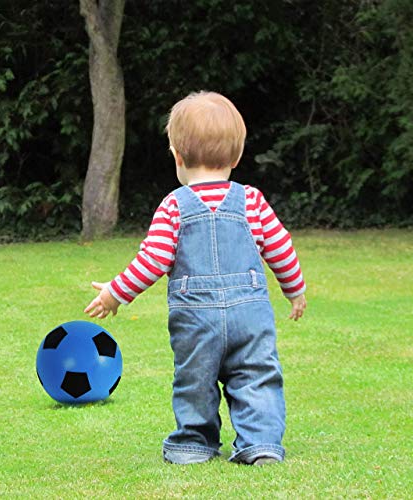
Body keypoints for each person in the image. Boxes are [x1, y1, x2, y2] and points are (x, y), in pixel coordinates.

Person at [84, 91, 307, 466]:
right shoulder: (252, 200)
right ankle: (262, 442)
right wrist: (294, 290)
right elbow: (281, 248)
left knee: (194, 379)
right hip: (250, 317)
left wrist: (115, 294)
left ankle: (193, 443)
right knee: (257, 375)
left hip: (195, 319)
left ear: (177, 156)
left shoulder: (174, 206)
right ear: (236, 157)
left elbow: (151, 261)